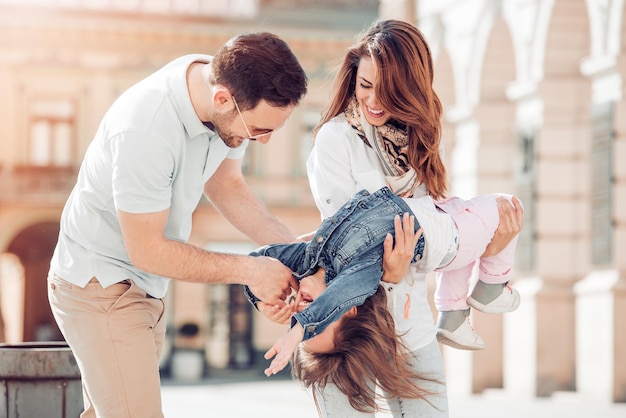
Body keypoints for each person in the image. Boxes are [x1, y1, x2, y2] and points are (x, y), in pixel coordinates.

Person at [47, 32, 307, 418]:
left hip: (147, 283)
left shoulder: (222, 85)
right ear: (222, 99)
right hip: (100, 284)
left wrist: (296, 257)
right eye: (258, 131)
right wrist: (252, 271)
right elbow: (148, 249)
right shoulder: (145, 128)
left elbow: (226, 184)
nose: (264, 142)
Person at [300, 19, 523, 417]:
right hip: (349, 325)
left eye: (388, 90)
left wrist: (489, 245)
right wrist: (392, 268)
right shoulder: (336, 140)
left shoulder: (416, 140)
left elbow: (432, 232)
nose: (372, 101)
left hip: (410, 323)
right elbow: (350, 241)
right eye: (365, 85)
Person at [244, 187, 523, 376]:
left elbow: (259, 258)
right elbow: (336, 296)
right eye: (316, 327)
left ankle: (452, 316)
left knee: (466, 247)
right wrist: (297, 332)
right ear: (348, 308)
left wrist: (260, 297)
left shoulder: (309, 259)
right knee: (506, 206)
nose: (302, 318)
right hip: (452, 240)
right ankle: (492, 286)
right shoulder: (362, 274)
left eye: (301, 325)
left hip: (443, 221)